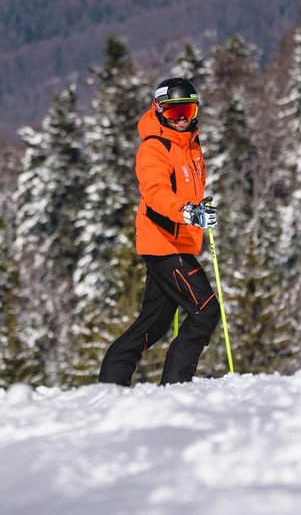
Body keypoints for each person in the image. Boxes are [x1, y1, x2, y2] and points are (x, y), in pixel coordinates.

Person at [98, 76, 220, 386]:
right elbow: (156, 193)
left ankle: (112, 383)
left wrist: (199, 210)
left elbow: (187, 191)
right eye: (173, 112)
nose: (181, 120)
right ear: (159, 110)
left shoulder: (191, 147)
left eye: (188, 112)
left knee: (155, 323)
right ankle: (176, 386)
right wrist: (186, 212)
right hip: (164, 244)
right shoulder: (154, 147)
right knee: (205, 311)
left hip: (179, 240)